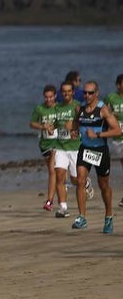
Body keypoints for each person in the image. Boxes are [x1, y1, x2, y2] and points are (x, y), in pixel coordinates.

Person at [70, 81, 121, 232]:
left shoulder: (103, 109)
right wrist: (74, 131)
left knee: (103, 185)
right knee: (80, 180)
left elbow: (117, 130)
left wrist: (98, 134)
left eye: (90, 93)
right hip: (85, 149)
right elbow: (75, 123)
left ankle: (109, 217)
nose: (87, 95)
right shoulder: (80, 108)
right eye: (85, 92)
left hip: (100, 151)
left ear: (96, 93)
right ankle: (82, 217)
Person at [51, 81, 83, 218]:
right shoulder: (57, 107)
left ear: (73, 92)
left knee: (76, 180)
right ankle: (63, 208)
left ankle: (85, 183)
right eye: (64, 91)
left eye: (69, 91)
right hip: (61, 146)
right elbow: (55, 125)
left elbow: (86, 122)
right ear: (61, 92)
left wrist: (76, 124)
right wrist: (51, 127)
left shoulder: (77, 106)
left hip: (75, 147)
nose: (66, 94)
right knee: (59, 176)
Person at [29, 85, 61, 212]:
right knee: (53, 172)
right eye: (46, 97)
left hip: (58, 143)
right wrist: (43, 126)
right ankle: (58, 198)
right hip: (44, 143)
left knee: (53, 170)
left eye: (51, 97)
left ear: (55, 96)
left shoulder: (59, 108)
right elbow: (32, 123)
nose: (48, 100)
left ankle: (49, 201)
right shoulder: (39, 109)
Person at [106, 74, 123, 208]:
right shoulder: (111, 98)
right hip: (117, 139)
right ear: (118, 85)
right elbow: (103, 113)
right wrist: (111, 115)